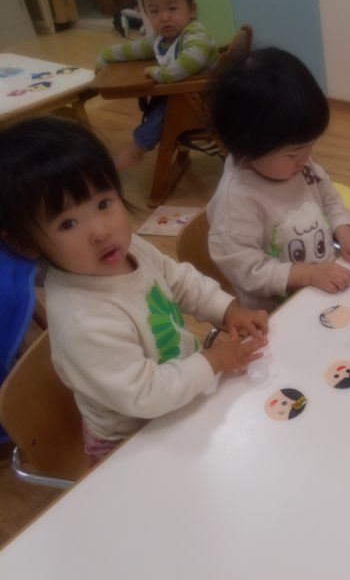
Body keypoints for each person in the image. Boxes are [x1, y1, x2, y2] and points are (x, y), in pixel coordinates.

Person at [0, 117, 268, 463]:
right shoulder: (82, 320)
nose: (100, 231)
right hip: (133, 437)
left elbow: (179, 279)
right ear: (26, 244)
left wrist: (226, 308)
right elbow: (145, 394)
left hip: (181, 390)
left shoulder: (128, 248)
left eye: (103, 203)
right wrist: (212, 361)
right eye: (68, 223)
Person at [206, 47, 350, 310]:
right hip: (280, 312)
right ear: (245, 146)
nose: (306, 158)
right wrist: (309, 274)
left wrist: (347, 234)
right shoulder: (235, 201)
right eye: (293, 153)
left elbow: (330, 199)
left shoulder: (298, 165)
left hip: (325, 287)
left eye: (310, 145)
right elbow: (248, 271)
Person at [96, 0, 219, 170]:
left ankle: (137, 150)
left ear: (192, 10)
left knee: (165, 111)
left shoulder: (196, 34)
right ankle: (150, 135)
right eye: (154, 11)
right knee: (159, 104)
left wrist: (159, 73)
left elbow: (189, 62)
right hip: (183, 94)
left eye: (172, 8)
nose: (164, 17)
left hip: (205, 100)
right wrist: (106, 56)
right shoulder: (161, 39)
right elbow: (135, 49)